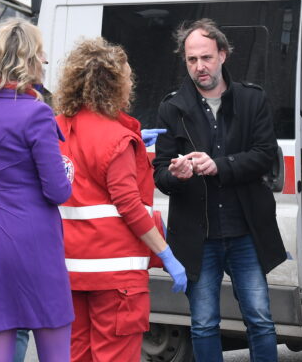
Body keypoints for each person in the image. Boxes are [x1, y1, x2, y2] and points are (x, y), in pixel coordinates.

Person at [151, 19, 283, 362]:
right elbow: (159, 174)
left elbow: (265, 155)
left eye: (206, 58)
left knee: (260, 320)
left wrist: (219, 165)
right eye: (192, 60)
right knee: (205, 324)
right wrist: (176, 174)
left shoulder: (253, 100)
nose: (200, 67)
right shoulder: (172, 107)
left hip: (245, 232)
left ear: (223, 55)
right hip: (198, 236)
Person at [54, 38, 188, 362]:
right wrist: (166, 253)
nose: (131, 84)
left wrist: (132, 144)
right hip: (117, 279)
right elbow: (128, 205)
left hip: (67, 272)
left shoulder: (55, 128)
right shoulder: (116, 139)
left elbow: (80, 171)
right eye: (128, 77)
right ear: (111, 84)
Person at [0, 19, 72, 362]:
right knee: (52, 338)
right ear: (32, 59)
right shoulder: (35, 113)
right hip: (32, 236)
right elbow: (57, 191)